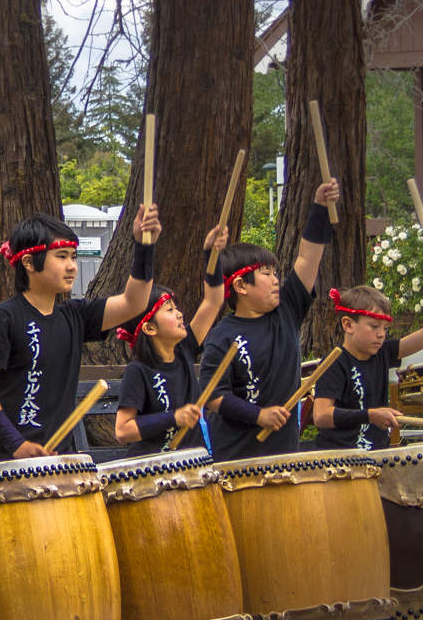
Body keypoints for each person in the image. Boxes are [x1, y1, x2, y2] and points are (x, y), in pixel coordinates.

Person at [0, 204, 162, 462]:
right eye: (61, 256)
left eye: (73, 256)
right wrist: (17, 444)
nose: (72, 266)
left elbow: (133, 303)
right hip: (4, 460)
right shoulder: (1, 320)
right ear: (28, 262)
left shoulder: (75, 315)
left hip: (59, 460)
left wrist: (144, 247)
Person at [200, 179, 341, 460]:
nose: (276, 280)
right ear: (241, 286)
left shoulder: (286, 311)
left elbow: (307, 258)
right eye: (266, 274)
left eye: (275, 273)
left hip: (284, 451)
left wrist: (320, 208)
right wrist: (258, 415)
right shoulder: (222, 336)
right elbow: (213, 397)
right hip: (238, 458)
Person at [114, 224, 229, 455]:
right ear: (149, 327)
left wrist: (211, 255)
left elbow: (213, 301)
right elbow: (123, 431)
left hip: (190, 465)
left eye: (176, 308)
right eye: (169, 310)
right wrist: (173, 417)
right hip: (151, 471)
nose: (179, 314)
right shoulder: (138, 371)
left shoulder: (184, 350)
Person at [311, 285, 423, 450]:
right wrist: (371, 415)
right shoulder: (334, 362)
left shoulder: (382, 352)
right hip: (340, 458)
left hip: (376, 455)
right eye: (374, 326)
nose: (381, 334)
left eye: (385, 328)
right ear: (348, 325)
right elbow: (321, 416)